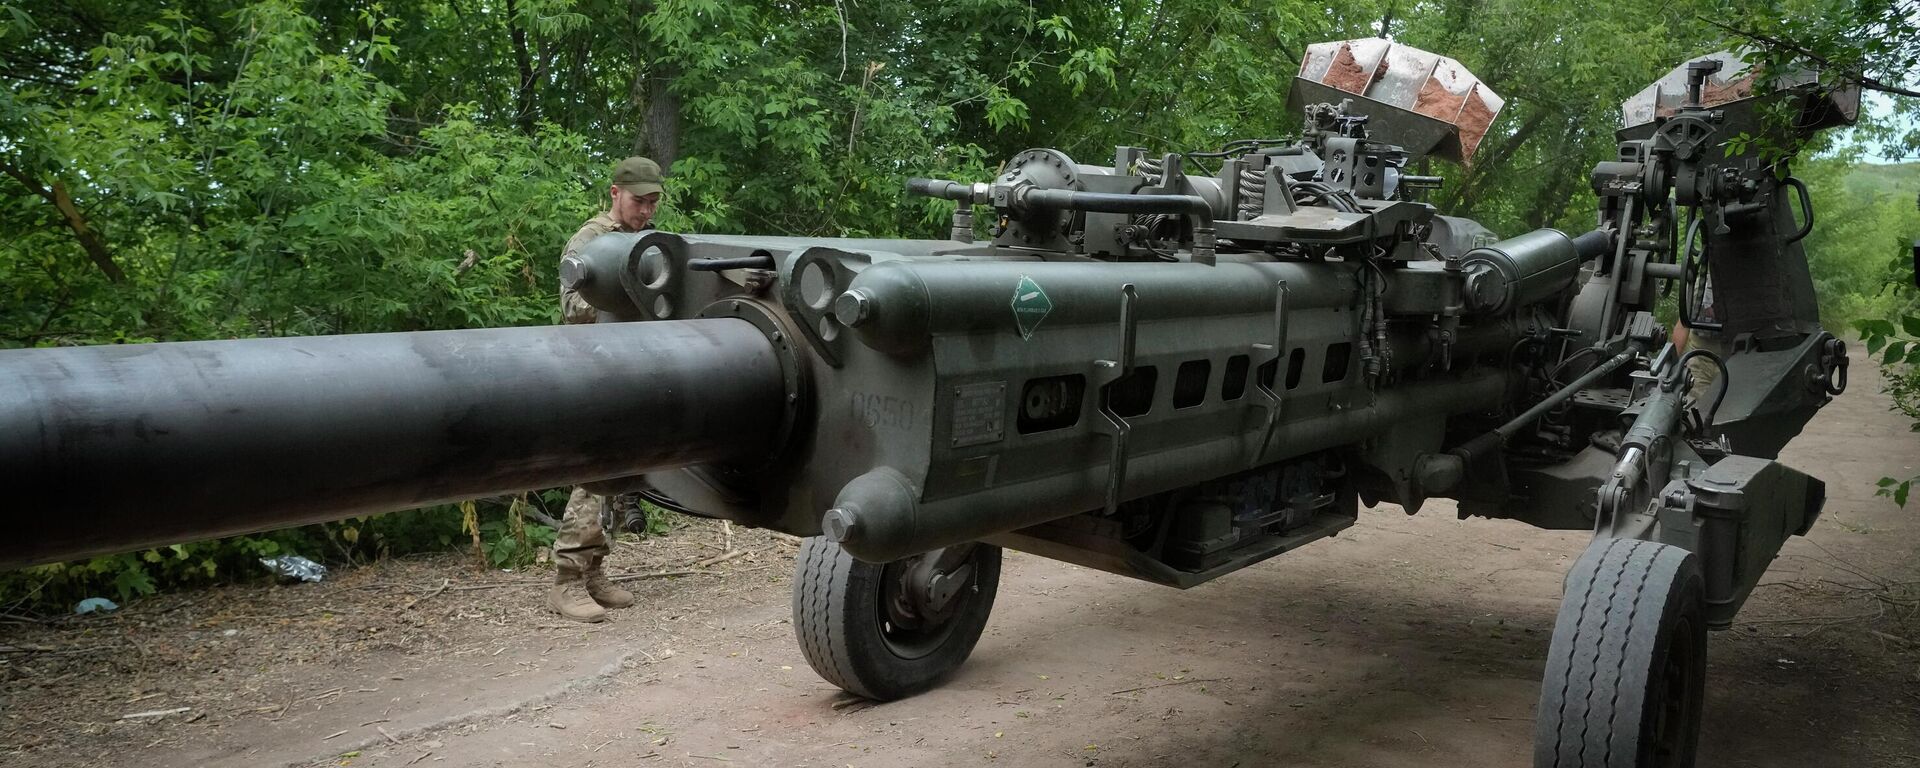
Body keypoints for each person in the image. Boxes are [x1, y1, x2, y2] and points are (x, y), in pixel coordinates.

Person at [547, 156, 664, 623]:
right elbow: (574, 306)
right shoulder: (590, 241)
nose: (646, 211)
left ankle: (594, 571)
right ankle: (566, 581)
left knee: (617, 475)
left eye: (654, 202)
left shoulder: (641, 240)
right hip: (594, 371)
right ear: (616, 192)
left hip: (629, 367)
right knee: (593, 474)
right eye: (639, 201)